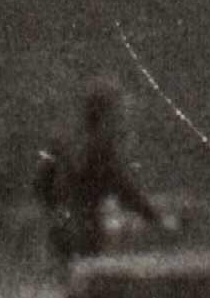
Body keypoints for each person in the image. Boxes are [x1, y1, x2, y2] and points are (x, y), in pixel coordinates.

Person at [40, 85, 166, 262]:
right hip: (85, 233)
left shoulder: (66, 142)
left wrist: (54, 211)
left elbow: (41, 182)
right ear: (106, 116)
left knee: (63, 273)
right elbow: (125, 191)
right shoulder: (100, 149)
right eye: (119, 115)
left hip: (60, 231)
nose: (122, 123)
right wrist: (157, 220)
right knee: (88, 272)